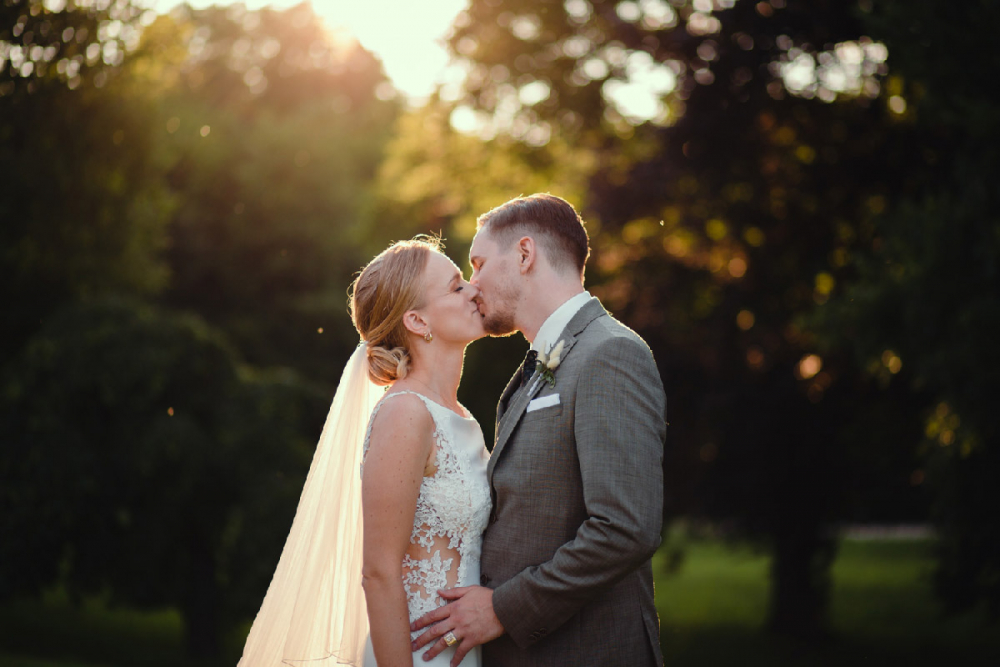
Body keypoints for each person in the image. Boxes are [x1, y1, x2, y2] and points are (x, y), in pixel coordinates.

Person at [411, 194, 667, 666]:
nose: (472, 284)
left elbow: (626, 529)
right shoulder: (539, 366)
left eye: (480, 263)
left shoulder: (609, 354)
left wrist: (503, 610)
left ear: (525, 255)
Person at [237, 238, 491, 667]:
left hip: (465, 651)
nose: (474, 291)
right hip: (415, 655)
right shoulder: (405, 414)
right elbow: (378, 574)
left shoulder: (459, 415)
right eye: (456, 287)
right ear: (416, 320)